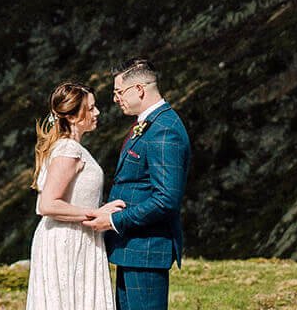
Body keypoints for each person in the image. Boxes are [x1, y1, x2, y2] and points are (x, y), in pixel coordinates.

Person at [84, 58, 188, 310]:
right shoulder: (150, 122)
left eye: (119, 92)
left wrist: (113, 221)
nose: (115, 98)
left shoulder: (165, 130)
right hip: (133, 249)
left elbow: (166, 200)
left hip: (146, 250)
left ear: (139, 89)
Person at [27, 82, 125, 310]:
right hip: (67, 240)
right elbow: (47, 204)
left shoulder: (72, 148)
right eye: (90, 109)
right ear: (71, 117)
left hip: (76, 236)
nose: (97, 112)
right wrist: (95, 213)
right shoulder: (68, 150)